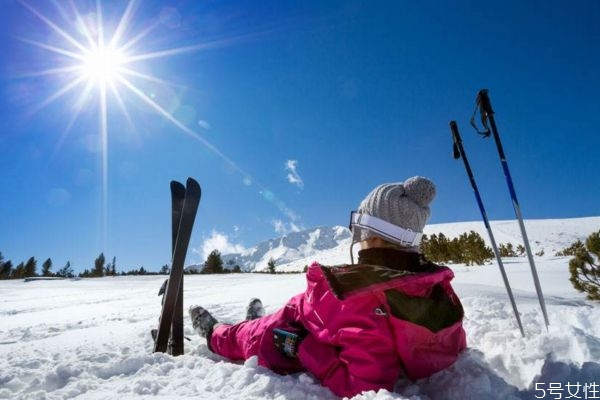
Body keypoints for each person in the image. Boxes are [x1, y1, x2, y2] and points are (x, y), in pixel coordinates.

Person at [189, 176, 466, 398]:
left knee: (248, 335)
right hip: (311, 323)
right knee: (262, 324)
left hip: (288, 332)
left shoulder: (362, 296)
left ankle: (214, 333)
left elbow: (364, 388)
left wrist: (301, 347)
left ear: (370, 231)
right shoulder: (433, 287)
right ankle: (251, 321)